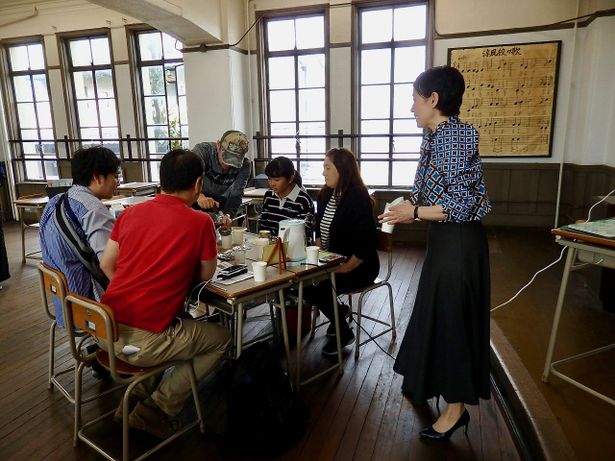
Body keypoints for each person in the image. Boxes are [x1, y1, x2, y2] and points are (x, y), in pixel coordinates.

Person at [378, 65, 491, 440]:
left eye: (414, 99)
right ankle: (423, 380)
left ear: (434, 100)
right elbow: (434, 194)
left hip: (459, 242)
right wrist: (408, 208)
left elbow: (461, 204)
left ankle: (456, 410)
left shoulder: (452, 137)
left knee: (452, 322)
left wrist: (414, 211)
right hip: (445, 240)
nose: (411, 107)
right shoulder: (436, 136)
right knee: (433, 312)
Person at [99, 148, 231, 439]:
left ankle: (134, 400)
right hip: (142, 342)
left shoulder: (130, 213)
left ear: (162, 180)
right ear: (198, 184)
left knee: (175, 324)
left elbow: (107, 264)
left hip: (105, 327)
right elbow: (207, 274)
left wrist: (139, 285)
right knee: (222, 340)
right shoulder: (200, 222)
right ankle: (156, 410)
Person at [304, 148, 380, 358]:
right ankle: (340, 313)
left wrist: (344, 268)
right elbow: (319, 227)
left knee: (315, 286)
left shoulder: (357, 198)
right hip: (333, 262)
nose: (323, 173)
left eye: (327, 168)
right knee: (303, 282)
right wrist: (320, 254)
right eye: (323, 167)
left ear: (343, 171)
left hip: (360, 265)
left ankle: (343, 332)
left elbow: (366, 244)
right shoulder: (326, 193)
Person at [40, 146, 120, 326]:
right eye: (115, 176)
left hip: (64, 301)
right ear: (97, 177)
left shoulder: (56, 201)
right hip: (91, 307)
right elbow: (110, 265)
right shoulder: (93, 209)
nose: (118, 182)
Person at [193, 130, 251, 218]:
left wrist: (228, 215)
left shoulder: (245, 165)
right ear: (218, 145)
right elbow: (187, 179)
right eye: (227, 156)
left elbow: (236, 194)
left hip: (219, 202)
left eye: (235, 159)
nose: (229, 164)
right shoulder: (202, 152)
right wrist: (199, 196)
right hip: (195, 198)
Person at [259, 156, 315, 239]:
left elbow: (305, 234)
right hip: (271, 246)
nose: (272, 183)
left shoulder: (303, 201)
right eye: (269, 179)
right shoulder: (269, 196)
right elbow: (263, 225)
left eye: (277, 180)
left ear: (290, 179)